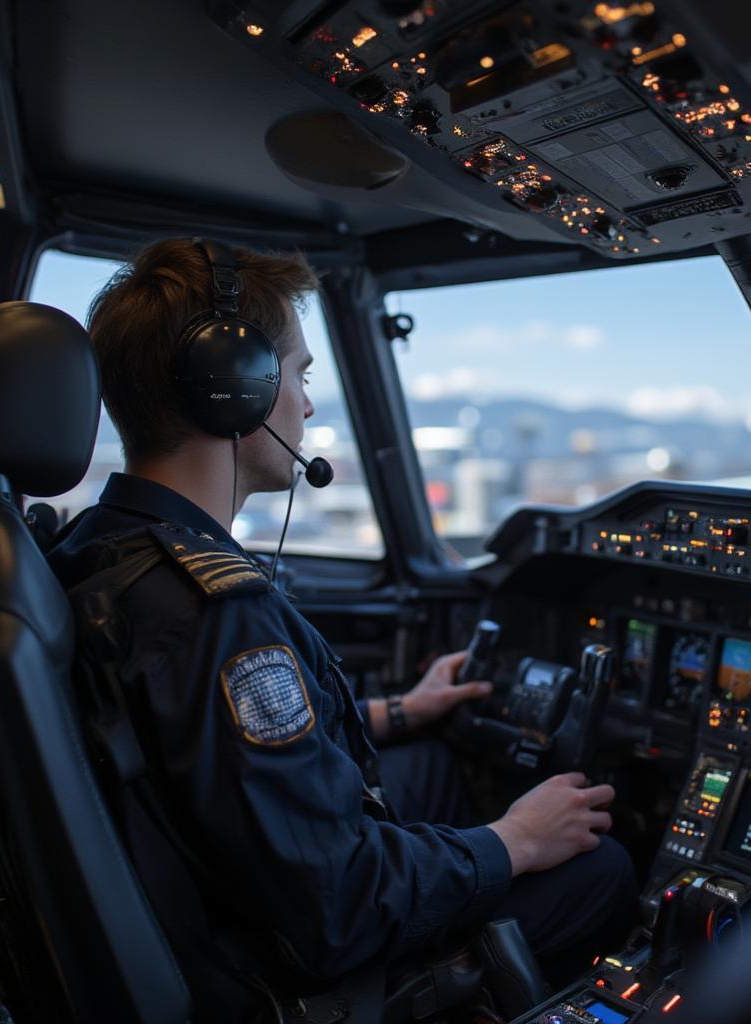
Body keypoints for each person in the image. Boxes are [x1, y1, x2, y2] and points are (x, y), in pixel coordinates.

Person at [47, 238, 637, 1019]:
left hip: (203, 903)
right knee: (606, 867)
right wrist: (516, 841)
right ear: (234, 387)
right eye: (300, 373)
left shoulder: (94, 544)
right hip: (279, 976)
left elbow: (217, 750)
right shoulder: (217, 612)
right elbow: (340, 903)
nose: (309, 403)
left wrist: (400, 711)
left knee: (427, 755)